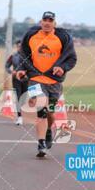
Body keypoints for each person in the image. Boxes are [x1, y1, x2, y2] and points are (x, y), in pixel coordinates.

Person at [16, 11, 77, 158]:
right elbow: (23, 54)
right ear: (41, 22)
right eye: (45, 20)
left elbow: (72, 58)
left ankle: (49, 129)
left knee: (50, 112)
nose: (47, 22)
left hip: (54, 81)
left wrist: (62, 68)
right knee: (41, 108)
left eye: (51, 20)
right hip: (35, 78)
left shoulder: (62, 38)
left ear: (54, 23)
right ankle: (41, 143)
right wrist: (21, 69)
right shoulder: (31, 36)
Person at [6, 40, 28, 125]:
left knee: (23, 98)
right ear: (17, 47)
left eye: (21, 46)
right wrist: (11, 72)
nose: (20, 47)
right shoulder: (13, 56)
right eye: (18, 46)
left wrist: (27, 72)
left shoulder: (28, 56)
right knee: (18, 97)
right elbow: (7, 66)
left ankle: (20, 108)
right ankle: (19, 117)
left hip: (26, 79)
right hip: (16, 79)